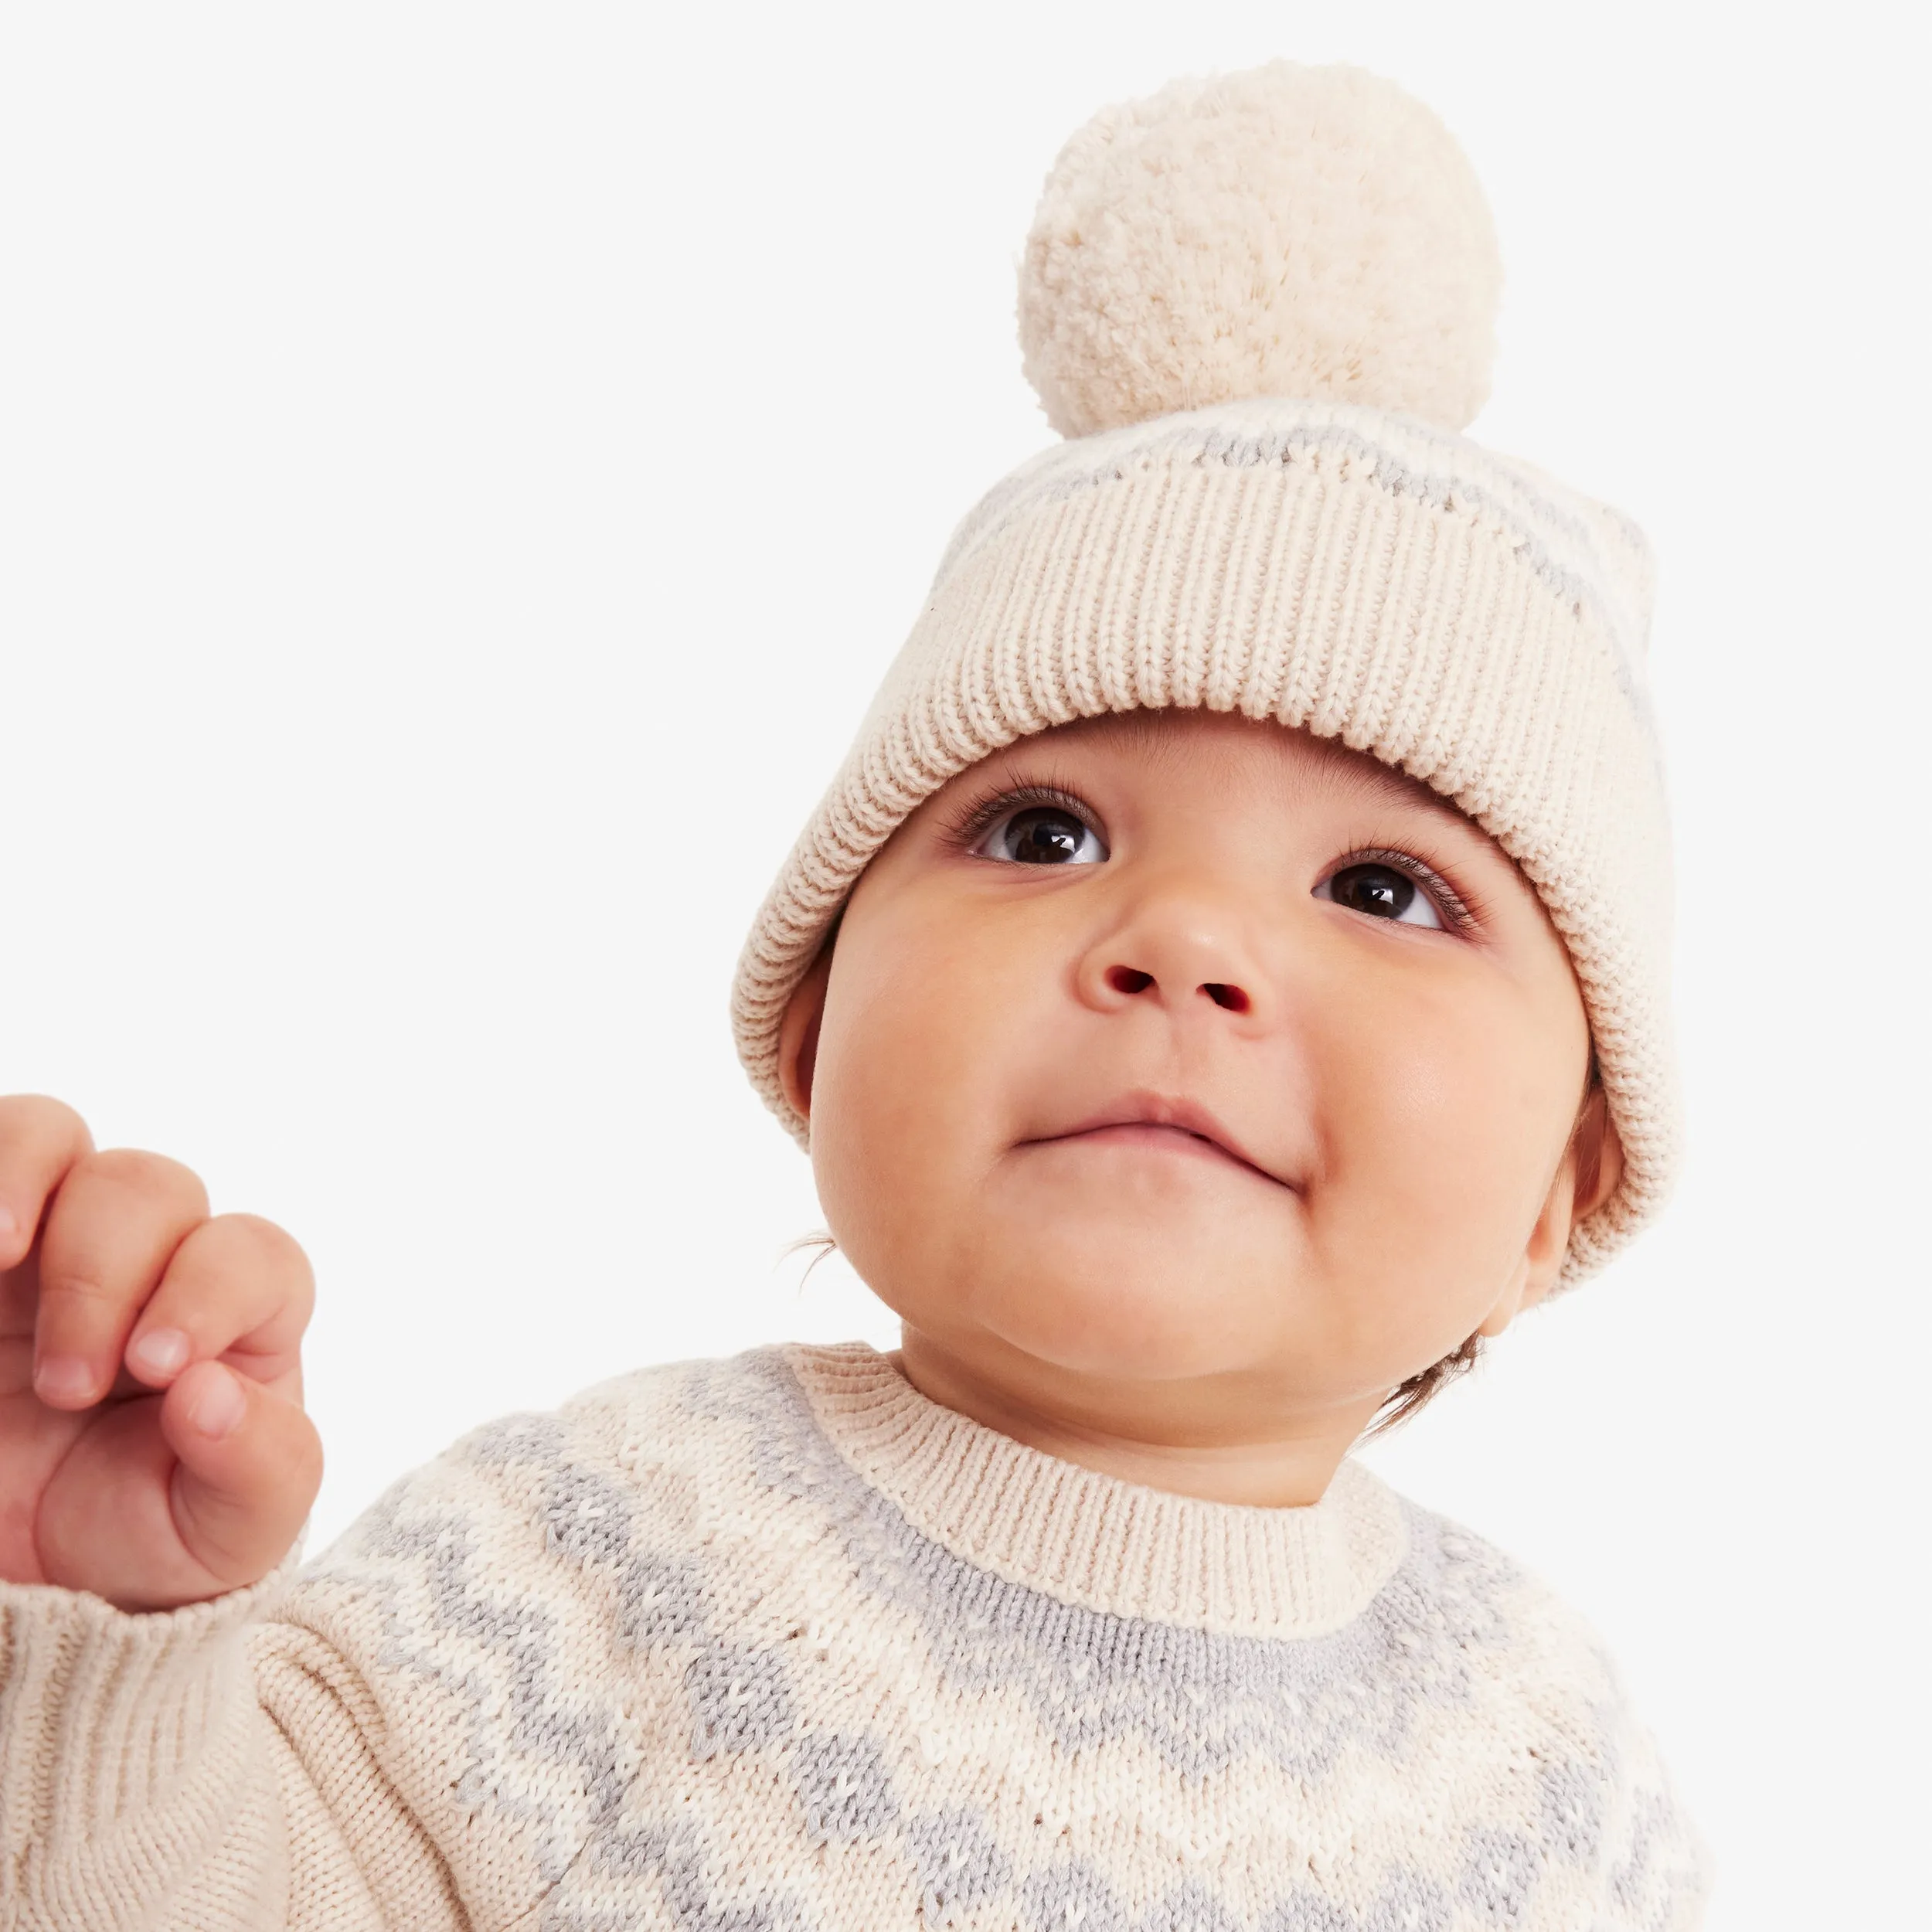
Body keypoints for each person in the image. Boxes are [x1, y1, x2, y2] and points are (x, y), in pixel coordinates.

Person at [0, 60, 1714, 1931]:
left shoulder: (1552, 1780)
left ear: (1564, 1182)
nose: (1186, 942)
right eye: (1044, 830)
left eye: (1385, 888)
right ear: (813, 1034)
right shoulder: (590, 1566)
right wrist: (101, 1646)